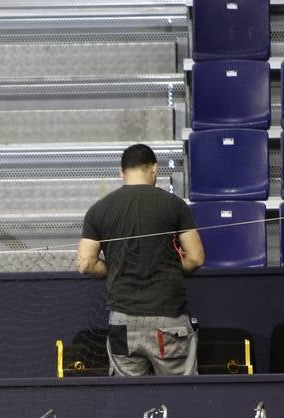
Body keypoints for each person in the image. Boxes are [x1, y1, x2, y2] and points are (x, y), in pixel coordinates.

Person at [76, 143, 205, 376]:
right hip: (169, 319)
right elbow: (196, 258)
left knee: (129, 402)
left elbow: (85, 263)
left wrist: (113, 268)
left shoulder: (98, 210)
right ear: (154, 169)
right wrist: (170, 268)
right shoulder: (174, 205)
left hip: (123, 322)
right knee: (181, 397)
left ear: (121, 172)